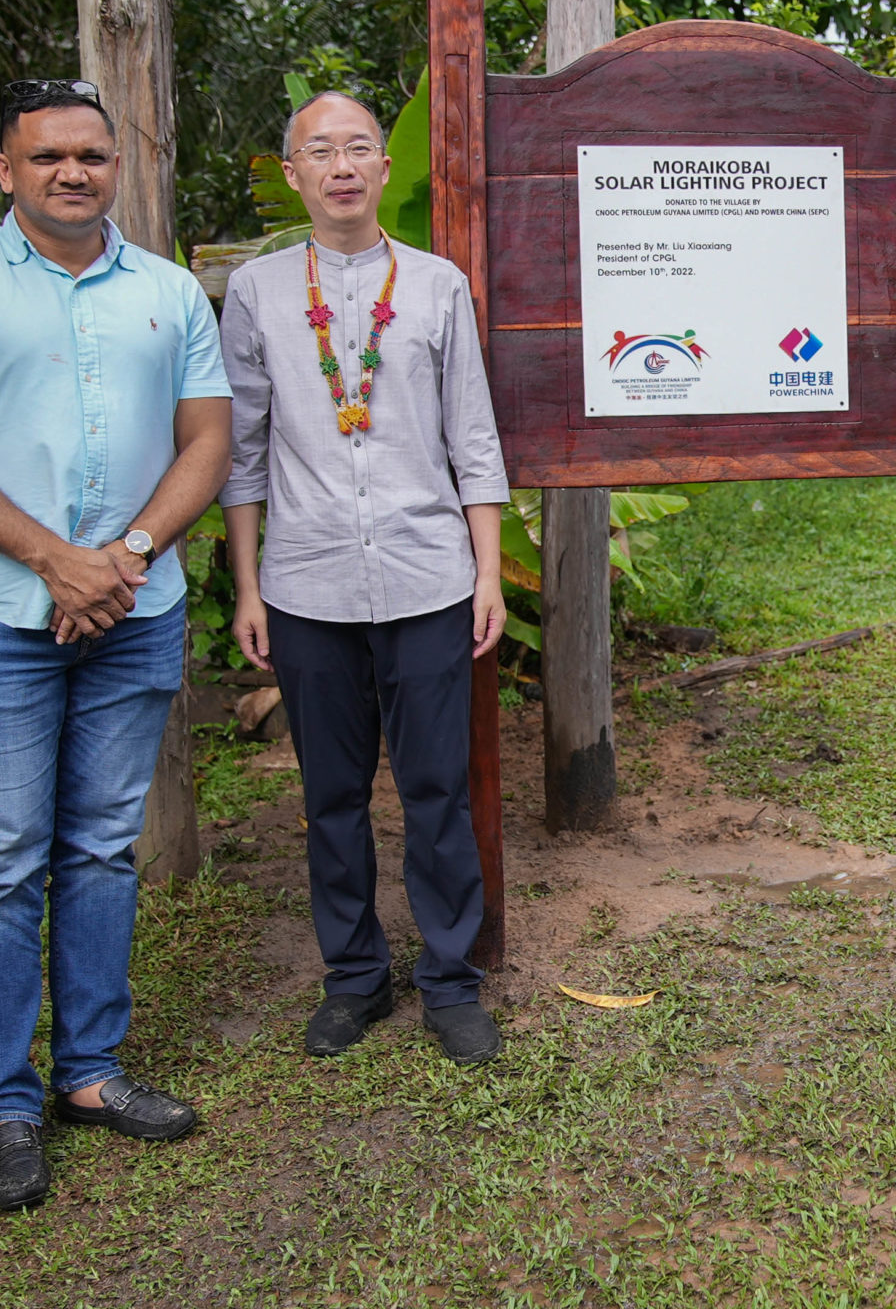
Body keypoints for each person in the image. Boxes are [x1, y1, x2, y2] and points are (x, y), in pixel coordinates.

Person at [0, 78, 233, 1210]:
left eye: (90, 155)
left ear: (112, 166)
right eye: (47, 158)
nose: (71, 173)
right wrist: (52, 560)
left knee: (96, 847)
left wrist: (119, 558)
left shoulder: (170, 294)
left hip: (134, 609)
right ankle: (4, 1105)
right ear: (4, 170)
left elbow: (207, 444)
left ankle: (88, 1074)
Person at [220, 92, 511, 1066]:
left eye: (358, 149)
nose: (340, 166)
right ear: (292, 172)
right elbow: (243, 453)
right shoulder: (257, 294)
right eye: (319, 151)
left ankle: (451, 982)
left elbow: (472, 436)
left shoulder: (435, 287)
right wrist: (248, 586)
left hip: (430, 578)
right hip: (306, 589)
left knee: (438, 789)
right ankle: (354, 979)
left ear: (385, 169)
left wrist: (487, 574)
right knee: (332, 796)